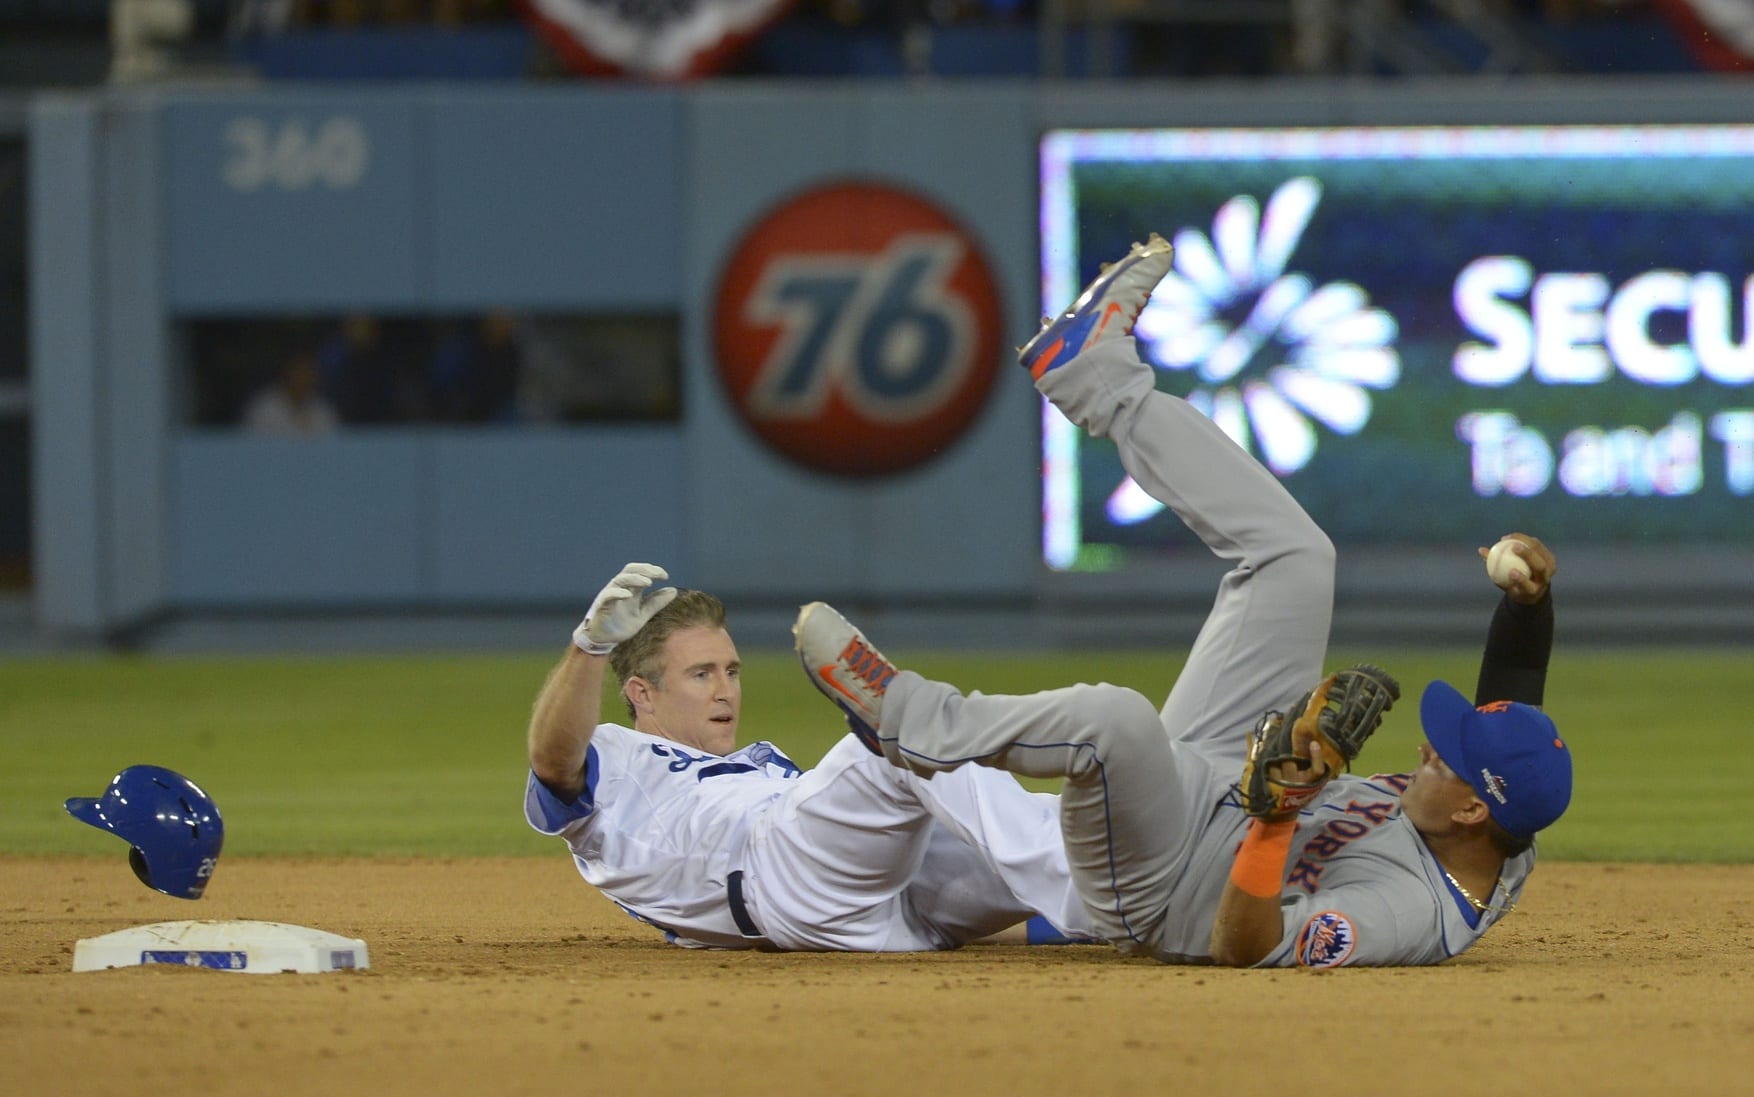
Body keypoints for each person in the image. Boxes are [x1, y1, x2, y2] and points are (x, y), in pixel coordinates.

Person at [794, 233, 1573, 969]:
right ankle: (1094, 374)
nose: (1424, 751)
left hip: (1162, 886)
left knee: (1116, 722)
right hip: (1218, 782)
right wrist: (1528, 608)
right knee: (1298, 560)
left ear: (1474, 811)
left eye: (1444, 758)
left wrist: (1273, 821)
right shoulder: (1501, 815)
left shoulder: (1409, 911)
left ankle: (901, 715)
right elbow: (1512, 717)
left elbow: (1247, 945)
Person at [522, 567, 1092, 951]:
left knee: (948, 768)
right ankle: (1093, 891)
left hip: (880, 905)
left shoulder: (759, 761)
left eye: (732, 670)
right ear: (642, 693)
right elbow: (553, 760)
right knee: (898, 741)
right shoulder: (617, 761)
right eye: (701, 674)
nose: (726, 690)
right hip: (777, 880)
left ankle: (1118, 885)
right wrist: (589, 648)